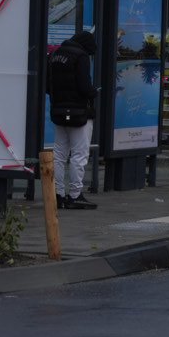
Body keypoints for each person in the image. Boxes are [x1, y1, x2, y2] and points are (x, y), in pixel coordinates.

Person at [46, 30, 98, 210]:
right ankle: (75, 195)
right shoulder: (81, 56)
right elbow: (84, 86)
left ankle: (58, 194)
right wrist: (93, 92)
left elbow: (48, 85)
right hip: (79, 113)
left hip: (59, 112)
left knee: (59, 154)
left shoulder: (55, 55)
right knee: (79, 155)